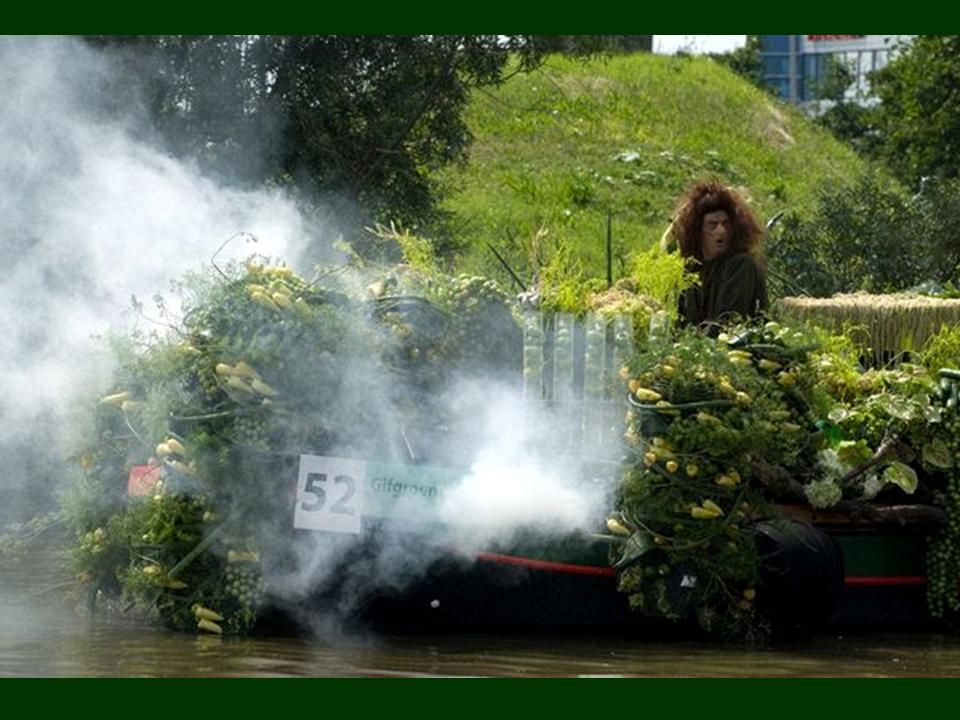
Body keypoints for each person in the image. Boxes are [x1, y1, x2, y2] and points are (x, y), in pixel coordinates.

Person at [668, 180, 768, 335]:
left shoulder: (741, 266)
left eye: (726, 224)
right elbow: (681, 323)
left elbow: (727, 323)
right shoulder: (691, 269)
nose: (721, 231)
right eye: (712, 224)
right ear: (697, 230)